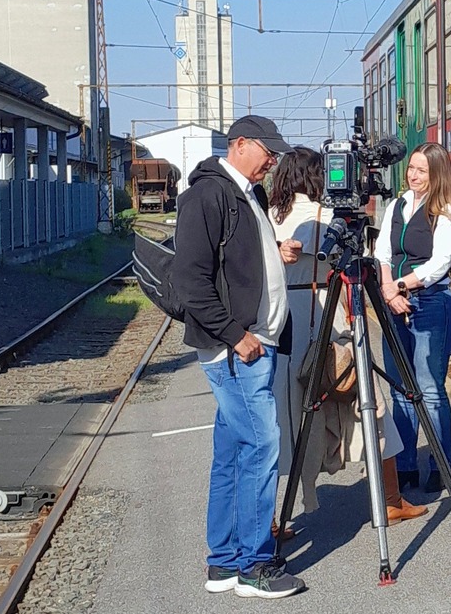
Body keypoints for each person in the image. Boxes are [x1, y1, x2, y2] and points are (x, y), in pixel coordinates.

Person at [172, 115, 306, 600]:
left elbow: (238, 258)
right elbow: (190, 281)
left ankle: (224, 562)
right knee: (261, 448)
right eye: (267, 151)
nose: (272, 161)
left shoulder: (248, 193)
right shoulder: (206, 196)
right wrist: (235, 335)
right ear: (240, 144)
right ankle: (255, 565)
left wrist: (275, 251)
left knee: (231, 455)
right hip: (238, 350)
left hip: (253, 343)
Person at [267, 148, 426, 525]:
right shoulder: (328, 219)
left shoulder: (271, 218)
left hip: (284, 319)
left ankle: (271, 518)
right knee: (369, 399)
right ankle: (389, 497)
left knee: (283, 415)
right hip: (327, 312)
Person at [376, 142, 451, 495]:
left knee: (429, 390)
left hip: (429, 304)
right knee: (400, 389)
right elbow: (382, 250)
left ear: (437, 174)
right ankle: (405, 465)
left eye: (421, 170)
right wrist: (388, 289)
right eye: (411, 168)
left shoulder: (445, 213)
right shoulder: (396, 206)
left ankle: (440, 465)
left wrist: (399, 286)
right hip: (393, 303)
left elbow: (438, 264)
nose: (413, 175)